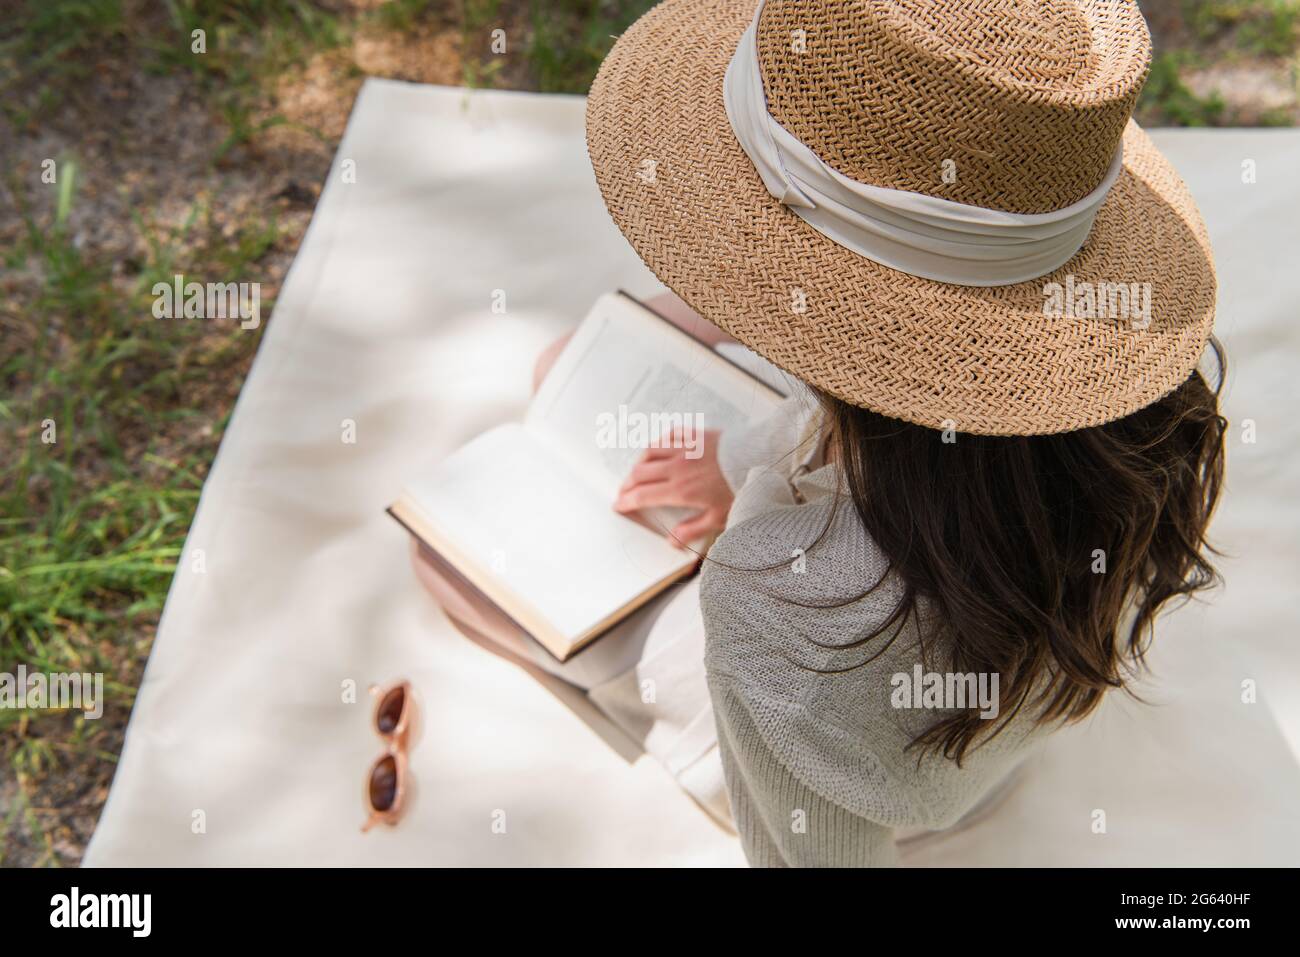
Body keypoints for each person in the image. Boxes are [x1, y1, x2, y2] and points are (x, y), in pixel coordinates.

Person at [416, 0, 1226, 866]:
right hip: (959, 682)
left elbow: (813, 851)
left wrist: (757, 528)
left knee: (446, 563)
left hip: (861, 757)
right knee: (564, 366)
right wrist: (740, 466)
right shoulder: (1147, 418)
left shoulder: (772, 601)